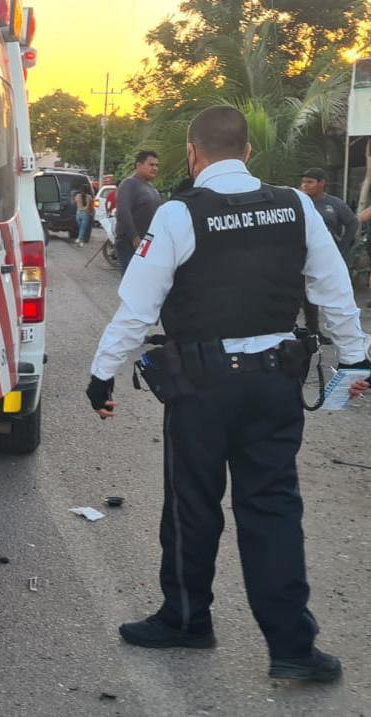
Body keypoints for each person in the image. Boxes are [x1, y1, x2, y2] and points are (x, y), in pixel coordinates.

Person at [86, 106, 371, 683]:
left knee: (193, 505)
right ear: (248, 152)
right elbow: (334, 289)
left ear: (193, 153)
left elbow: (137, 309)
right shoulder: (295, 205)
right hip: (274, 382)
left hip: (200, 387)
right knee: (272, 509)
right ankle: (293, 647)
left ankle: (187, 620)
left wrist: (101, 375)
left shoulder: (177, 215)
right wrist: (357, 356)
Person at [299, 168, 361, 332]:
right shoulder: (298, 201)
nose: (305, 185)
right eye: (303, 182)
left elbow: (352, 223)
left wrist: (343, 247)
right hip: (301, 255)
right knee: (303, 295)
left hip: (327, 256)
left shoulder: (334, 204)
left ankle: (340, 331)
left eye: (310, 182)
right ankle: (311, 331)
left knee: (331, 294)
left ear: (321, 183)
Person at [113, 150, 161, 274]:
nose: (155, 168)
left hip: (145, 243)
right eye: (151, 165)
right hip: (130, 243)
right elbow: (123, 212)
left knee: (141, 280)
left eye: (157, 165)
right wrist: (134, 237)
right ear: (139, 165)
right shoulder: (129, 184)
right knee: (131, 280)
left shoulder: (151, 188)